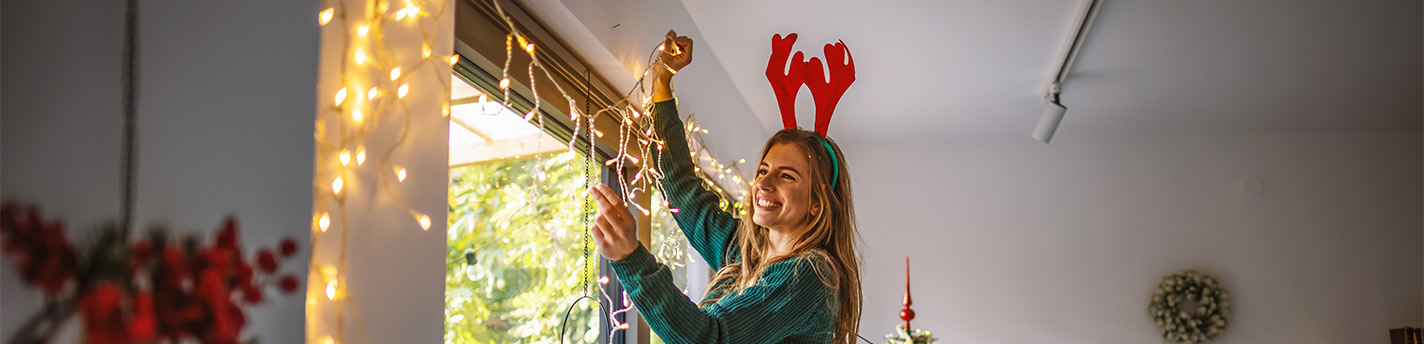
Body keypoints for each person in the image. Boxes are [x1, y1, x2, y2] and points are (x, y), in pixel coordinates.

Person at [588, 30, 862, 344]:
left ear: (817, 202)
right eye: (763, 170)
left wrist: (630, 258)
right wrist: (662, 84)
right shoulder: (743, 249)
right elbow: (681, 190)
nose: (764, 184)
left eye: (787, 176)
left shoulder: (810, 276)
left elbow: (709, 338)